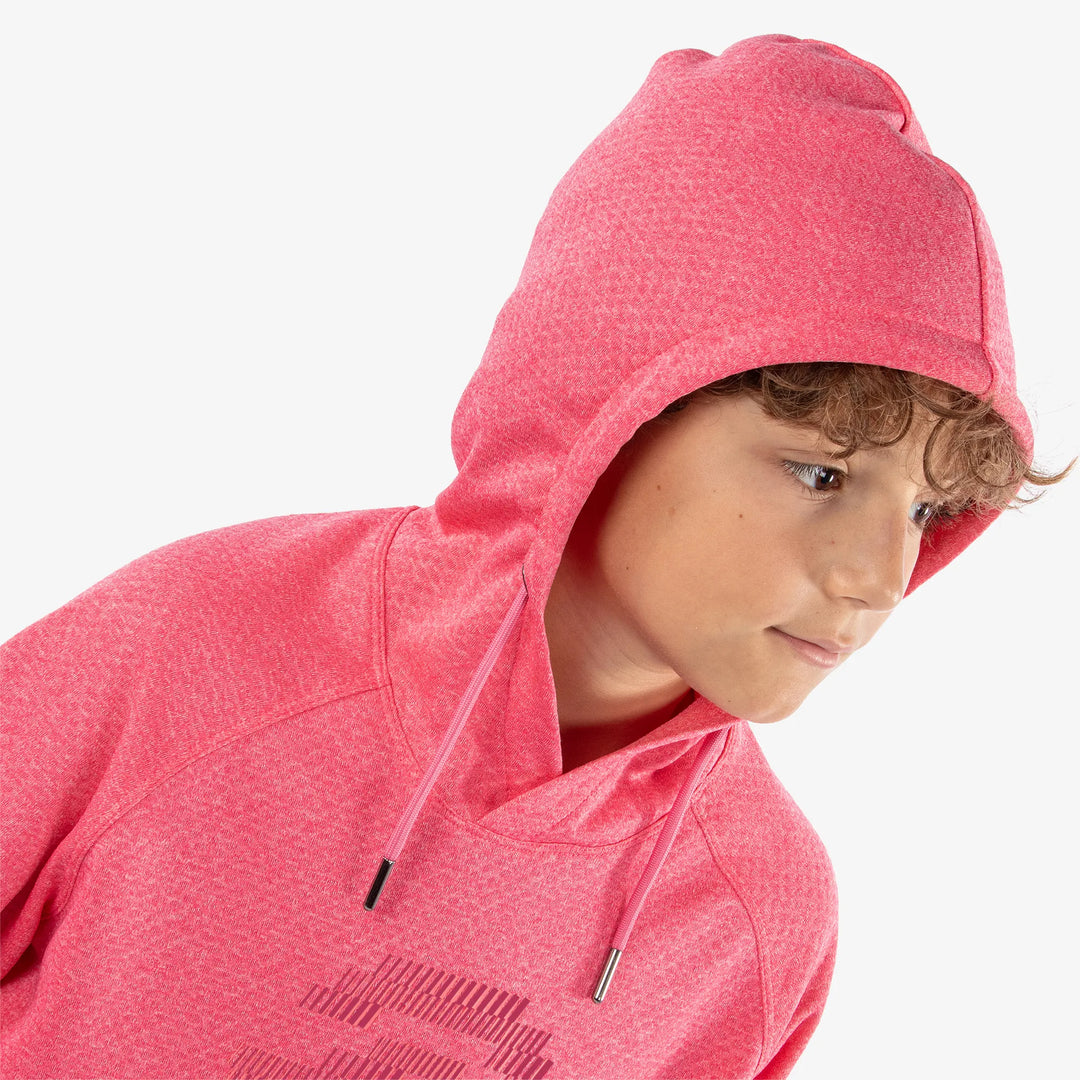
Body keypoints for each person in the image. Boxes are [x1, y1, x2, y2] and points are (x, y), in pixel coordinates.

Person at [1, 33, 1071, 1080]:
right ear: (612, 411)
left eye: (927, 508)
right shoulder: (205, 647)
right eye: (820, 474)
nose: (879, 577)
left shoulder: (756, 917)